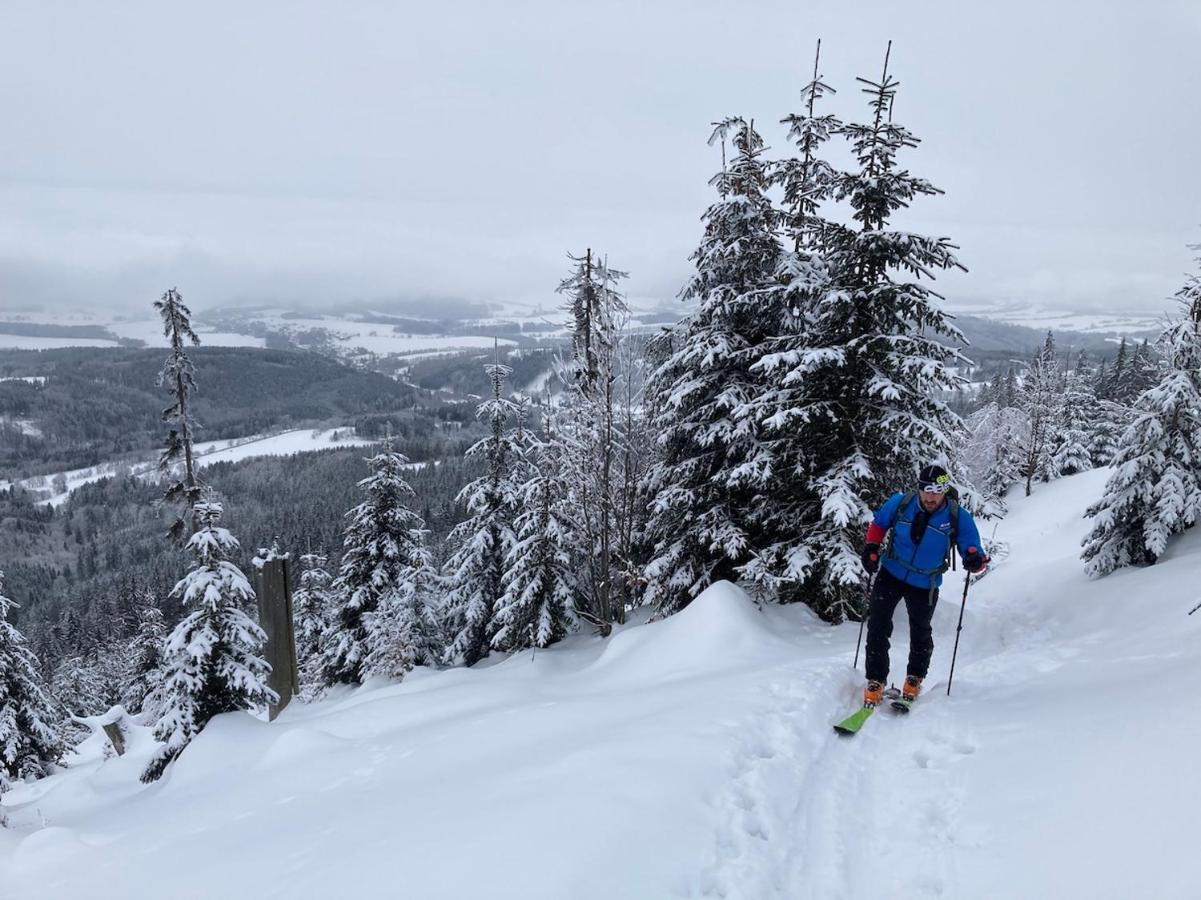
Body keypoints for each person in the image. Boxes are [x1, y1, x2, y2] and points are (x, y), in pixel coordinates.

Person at [859, 464, 988, 707]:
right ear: (918, 488)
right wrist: (871, 548)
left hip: (925, 582)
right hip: (891, 572)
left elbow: (974, 551)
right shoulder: (900, 503)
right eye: (926, 490)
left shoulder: (957, 517)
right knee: (877, 624)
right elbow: (878, 525)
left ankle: (915, 677)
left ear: (944, 491)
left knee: (920, 630)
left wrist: (974, 559)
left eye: (937, 491)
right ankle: (876, 679)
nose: (930, 497)